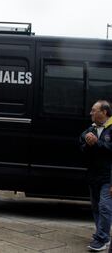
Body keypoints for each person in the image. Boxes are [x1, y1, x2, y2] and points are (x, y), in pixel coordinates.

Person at [80, 100, 112, 251]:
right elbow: (82, 149)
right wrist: (87, 143)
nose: (91, 113)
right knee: (96, 208)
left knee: (104, 207)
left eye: (94, 110)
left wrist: (97, 142)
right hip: (93, 176)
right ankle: (102, 235)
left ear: (104, 112)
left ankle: (101, 238)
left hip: (108, 177)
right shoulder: (90, 129)